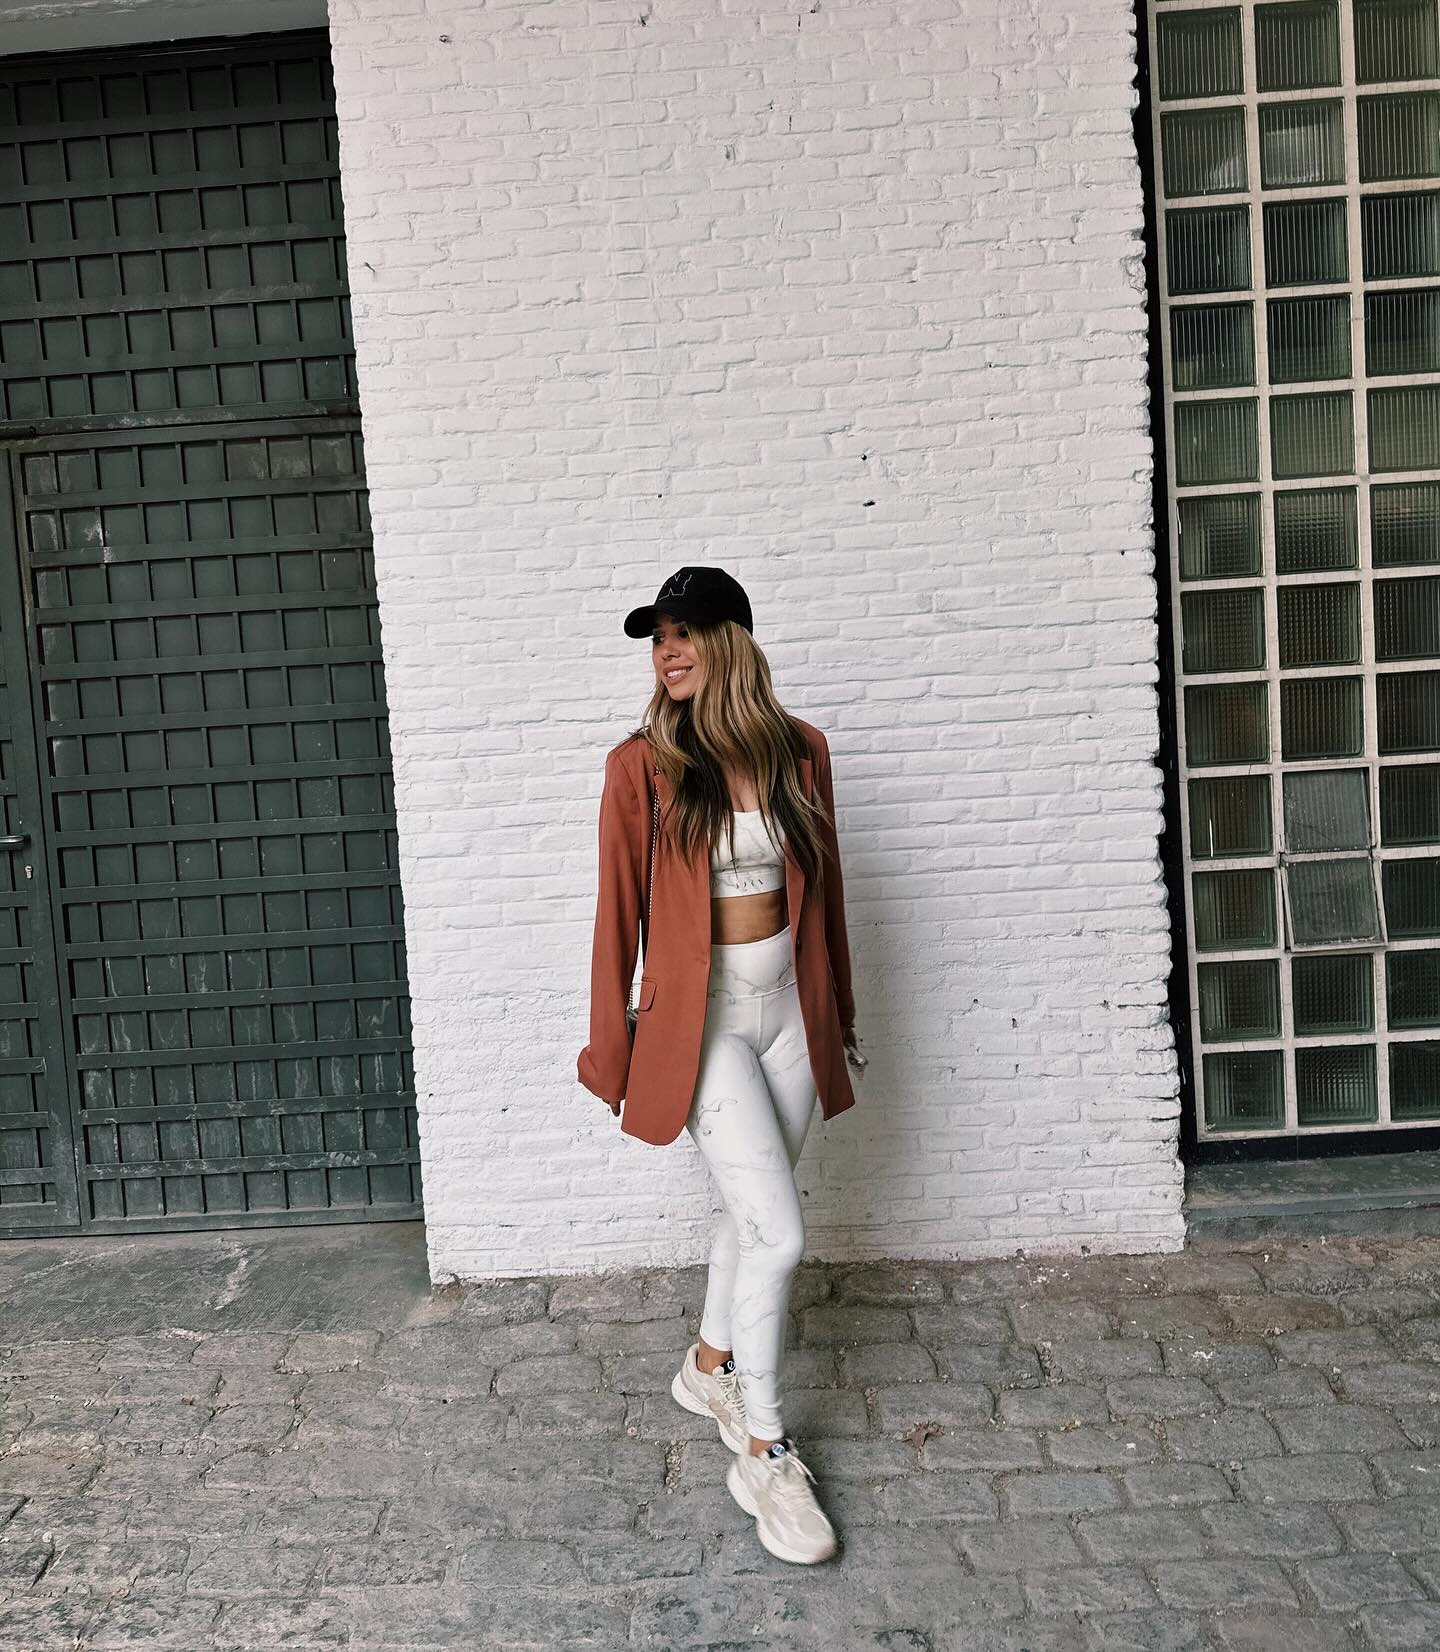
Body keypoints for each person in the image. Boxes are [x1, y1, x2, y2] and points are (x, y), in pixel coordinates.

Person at [577, 565, 865, 1567]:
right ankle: (764, 1450)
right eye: (657, 636)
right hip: (703, 1030)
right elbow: (616, 919)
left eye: (685, 631)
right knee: (779, 1232)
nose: (668, 651)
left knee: (749, 1211)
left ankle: (708, 1364)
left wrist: (840, 1014)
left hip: (789, 1015)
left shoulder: (801, 753)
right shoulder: (640, 768)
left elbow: (829, 899)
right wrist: (612, 1054)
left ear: (732, 641)